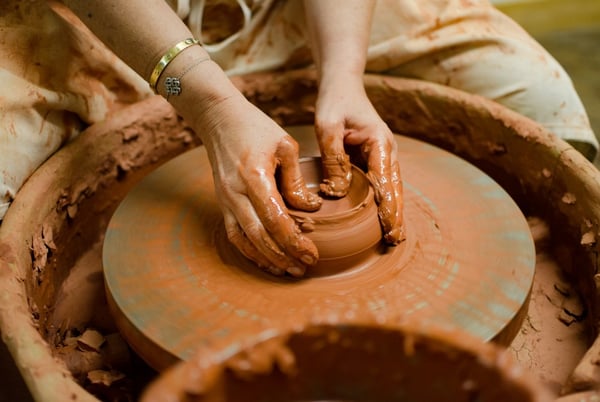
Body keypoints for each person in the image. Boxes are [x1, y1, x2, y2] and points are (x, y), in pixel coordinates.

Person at [0, 0, 596, 277]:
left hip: (280, 9)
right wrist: (211, 108)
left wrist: (345, 76)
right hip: (96, 22)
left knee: (535, 98)